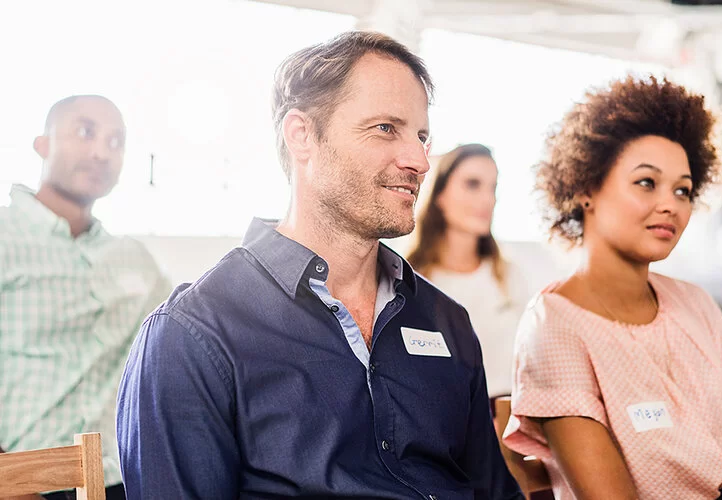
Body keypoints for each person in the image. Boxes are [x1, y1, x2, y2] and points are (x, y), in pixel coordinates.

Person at [116, 31, 524, 499]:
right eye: (385, 128)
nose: (419, 160)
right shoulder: (193, 334)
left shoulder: (448, 322)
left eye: (422, 135)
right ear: (302, 135)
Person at [503, 75, 722, 500]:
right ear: (586, 187)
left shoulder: (695, 304)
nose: (670, 204)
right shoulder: (556, 325)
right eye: (647, 182)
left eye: (683, 190)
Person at [0, 95, 171, 500]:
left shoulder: (136, 262)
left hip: (119, 480)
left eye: (116, 142)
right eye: (85, 132)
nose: (101, 152)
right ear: (42, 144)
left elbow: (182, 341)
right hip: (19, 479)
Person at [406, 143, 535, 398]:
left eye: (493, 188)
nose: (488, 199)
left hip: (513, 421)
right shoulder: (412, 281)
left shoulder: (508, 275)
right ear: (439, 194)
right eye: (473, 184)